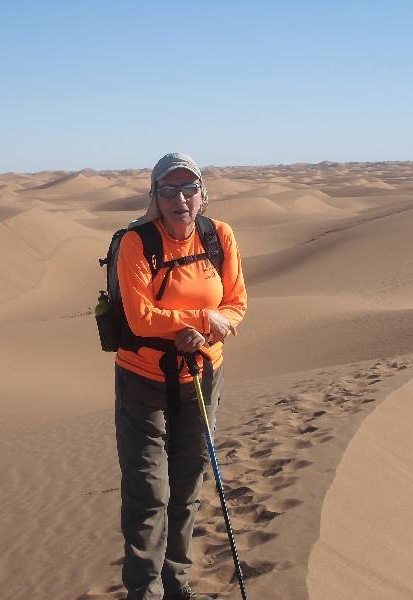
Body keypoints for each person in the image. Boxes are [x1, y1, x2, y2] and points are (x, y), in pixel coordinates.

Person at [114, 153, 247, 600]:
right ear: (155, 197)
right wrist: (197, 320)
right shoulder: (137, 242)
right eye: (168, 190)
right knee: (148, 490)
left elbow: (237, 305)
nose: (180, 199)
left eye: (189, 189)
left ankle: (177, 581)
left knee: (188, 483)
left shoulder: (219, 237)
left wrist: (207, 325)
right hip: (142, 380)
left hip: (203, 376)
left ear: (203, 196)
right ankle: (144, 590)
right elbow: (140, 317)